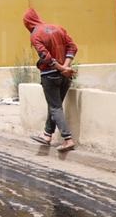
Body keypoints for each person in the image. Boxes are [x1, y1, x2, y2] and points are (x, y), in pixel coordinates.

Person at [24, 8, 78, 152]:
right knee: (54, 105)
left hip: (50, 75)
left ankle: (68, 139)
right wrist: (66, 68)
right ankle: (47, 135)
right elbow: (73, 47)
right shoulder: (58, 28)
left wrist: (61, 68)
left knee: (55, 107)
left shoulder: (35, 34)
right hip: (65, 76)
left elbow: (45, 57)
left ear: (28, 23)